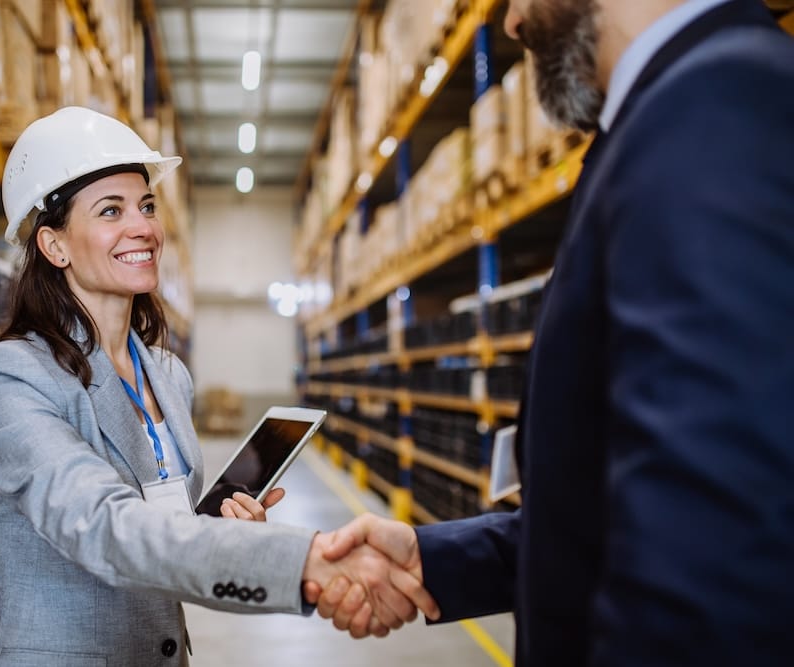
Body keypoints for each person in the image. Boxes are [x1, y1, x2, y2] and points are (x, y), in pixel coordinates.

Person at [308, 0, 794, 664]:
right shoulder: (666, 122)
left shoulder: (710, 116)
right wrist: (433, 558)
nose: (511, 22)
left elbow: (713, 561)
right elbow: (606, 509)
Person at [0, 106, 439, 666]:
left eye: (145, 205)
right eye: (110, 211)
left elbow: (169, 533)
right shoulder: (13, 375)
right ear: (55, 246)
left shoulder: (168, 375)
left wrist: (227, 533)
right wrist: (301, 560)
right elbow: (101, 525)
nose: (141, 227)